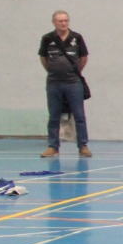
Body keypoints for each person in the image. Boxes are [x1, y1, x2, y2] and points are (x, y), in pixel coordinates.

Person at [39, 10, 90, 157]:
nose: (63, 23)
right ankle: (53, 146)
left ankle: (83, 146)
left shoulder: (77, 38)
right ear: (54, 22)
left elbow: (84, 57)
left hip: (73, 83)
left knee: (79, 115)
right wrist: (52, 70)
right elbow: (43, 58)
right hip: (54, 83)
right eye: (60, 21)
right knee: (54, 115)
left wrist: (74, 71)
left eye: (66, 20)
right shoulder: (47, 39)